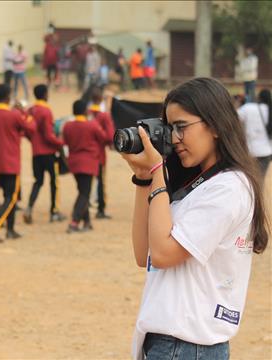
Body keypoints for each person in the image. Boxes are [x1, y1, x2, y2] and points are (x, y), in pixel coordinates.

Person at [120, 77, 269, 360]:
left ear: (214, 125)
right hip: (172, 343)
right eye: (169, 129)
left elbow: (163, 254)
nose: (173, 139)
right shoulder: (199, 184)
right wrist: (144, 179)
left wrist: (157, 172)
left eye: (181, 127)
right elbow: (145, 253)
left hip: (186, 346)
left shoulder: (229, 188)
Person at [0, 84, 36, 243]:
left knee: (8, 195)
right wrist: (23, 111)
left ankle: (11, 229)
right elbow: (32, 128)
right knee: (11, 197)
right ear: (8, 97)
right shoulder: (13, 115)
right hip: (11, 161)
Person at [23, 84, 66, 224]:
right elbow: (48, 135)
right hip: (49, 152)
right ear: (45, 94)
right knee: (55, 182)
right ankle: (54, 212)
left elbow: (27, 131)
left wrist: (34, 141)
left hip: (36, 152)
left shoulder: (31, 110)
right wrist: (60, 143)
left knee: (38, 181)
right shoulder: (46, 111)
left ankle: (29, 207)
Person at [63, 100, 107, 233]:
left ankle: (87, 222)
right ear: (85, 111)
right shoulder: (92, 125)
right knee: (84, 193)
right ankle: (74, 222)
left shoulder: (67, 126)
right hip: (88, 163)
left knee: (83, 191)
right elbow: (104, 138)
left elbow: (64, 142)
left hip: (74, 163)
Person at [88, 87, 115, 219]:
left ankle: (86, 205)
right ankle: (100, 209)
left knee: (86, 181)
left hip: (85, 153)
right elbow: (109, 136)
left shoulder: (86, 113)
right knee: (100, 181)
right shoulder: (103, 116)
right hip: (98, 154)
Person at [237, 89, 272, 177]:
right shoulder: (270, 110)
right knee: (260, 179)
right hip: (266, 152)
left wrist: (238, 102)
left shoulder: (248, 108)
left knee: (249, 179)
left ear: (259, 97)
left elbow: (233, 118)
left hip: (250, 151)